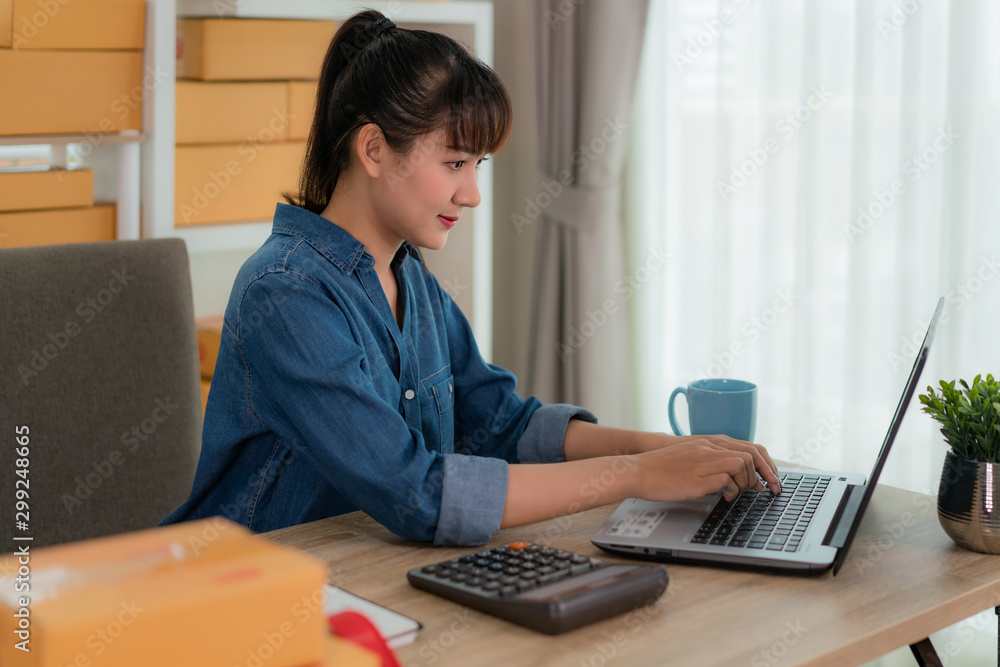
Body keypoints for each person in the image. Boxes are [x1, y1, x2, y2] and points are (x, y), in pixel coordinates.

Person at [161, 10, 781, 545]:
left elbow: (501, 424)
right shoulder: (286, 293)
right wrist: (638, 477)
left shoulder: (411, 276)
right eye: (455, 162)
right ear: (374, 150)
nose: (474, 193)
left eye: (477, 164)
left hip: (368, 579)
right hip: (252, 600)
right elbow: (417, 492)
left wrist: (663, 451)